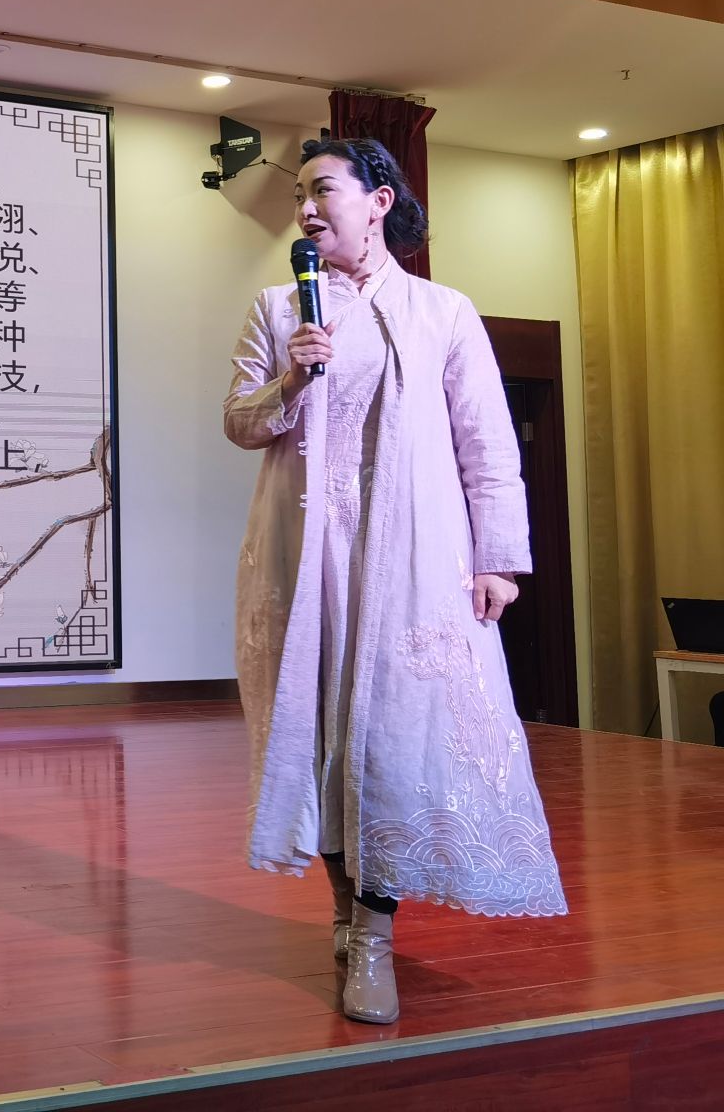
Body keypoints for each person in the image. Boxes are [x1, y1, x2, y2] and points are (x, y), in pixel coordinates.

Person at [223, 136, 565, 1025]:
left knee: (394, 737)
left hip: (413, 557)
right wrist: (292, 377)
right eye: (299, 195)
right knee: (320, 734)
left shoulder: (443, 310)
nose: (306, 209)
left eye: (323, 189)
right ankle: (345, 914)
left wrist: (498, 559)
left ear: (378, 201)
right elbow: (239, 423)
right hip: (306, 558)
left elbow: (487, 443)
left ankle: (373, 936)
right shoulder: (276, 307)